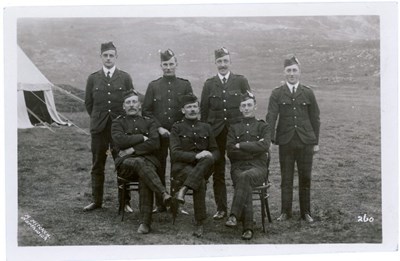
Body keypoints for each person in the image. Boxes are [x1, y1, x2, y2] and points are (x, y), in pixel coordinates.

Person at [266, 55, 320, 223]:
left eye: (294, 70)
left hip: (306, 142)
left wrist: (316, 142)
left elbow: (315, 118)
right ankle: (285, 212)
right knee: (286, 178)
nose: (291, 74)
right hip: (286, 141)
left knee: (305, 178)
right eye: (288, 70)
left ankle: (306, 212)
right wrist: (269, 140)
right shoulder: (277, 93)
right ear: (284, 72)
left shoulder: (308, 92)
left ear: (299, 72)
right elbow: (271, 117)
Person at [200, 47, 251, 220]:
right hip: (217, 134)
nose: (222, 65)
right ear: (215, 63)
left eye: (225, 61)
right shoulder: (209, 84)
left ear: (230, 62)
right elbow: (204, 111)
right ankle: (221, 208)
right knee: (218, 171)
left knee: (240, 170)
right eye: (219, 61)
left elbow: (248, 106)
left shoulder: (240, 81)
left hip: (237, 134)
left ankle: (241, 207)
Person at [111, 90, 172, 234]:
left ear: (139, 105)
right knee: (140, 164)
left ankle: (145, 223)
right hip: (126, 164)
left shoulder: (149, 122)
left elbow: (155, 144)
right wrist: (141, 138)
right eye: (128, 103)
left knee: (144, 174)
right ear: (124, 106)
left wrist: (131, 149)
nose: (131, 105)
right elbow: (119, 140)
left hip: (148, 162)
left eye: (134, 102)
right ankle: (163, 193)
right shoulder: (117, 122)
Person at [84, 42, 134, 211]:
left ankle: (124, 202)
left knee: (122, 163)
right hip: (99, 130)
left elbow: (130, 101)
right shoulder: (93, 78)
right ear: (101, 57)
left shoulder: (125, 77)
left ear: (116, 57)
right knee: (97, 164)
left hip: (119, 130)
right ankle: (96, 201)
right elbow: (89, 104)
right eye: (105, 55)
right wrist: (99, 119)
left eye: (111, 55)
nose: (108, 58)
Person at [142, 49, 193, 213]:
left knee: (178, 168)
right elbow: (147, 111)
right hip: (160, 135)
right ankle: (161, 203)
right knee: (159, 166)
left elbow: (190, 109)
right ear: (161, 66)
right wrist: (159, 128)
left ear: (176, 64)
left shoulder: (185, 85)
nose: (168, 67)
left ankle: (177, 203)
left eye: (171, 64)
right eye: (165, 64)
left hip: (179, 135)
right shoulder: (154, 85)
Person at [169, 94, 219, 237]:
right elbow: (175, 153)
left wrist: (209, 155)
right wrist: (196, 156)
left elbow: (216, 151)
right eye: (189, 107)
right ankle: (200, 222)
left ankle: (183, 190)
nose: (192, 110)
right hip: (182, 167)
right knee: (200, 182)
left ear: (199, 109)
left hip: (203, 166)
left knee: (209, 158)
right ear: (183, 110)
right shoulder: (176, 127)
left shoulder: (206, 127)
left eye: (194, 107)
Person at [225, 91, 271, 240]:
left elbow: (264, 145)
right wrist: (252, 151)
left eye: (249, 105)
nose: (246, 108)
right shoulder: (233, 128)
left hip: (258, 168)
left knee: (245, 179)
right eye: (243, 106)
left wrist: (241, 145)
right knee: (245, 179)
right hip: (238, 167)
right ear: (240, 108)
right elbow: (230, 151)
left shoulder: (262, 126)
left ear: (255, 107)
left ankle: (234, 216)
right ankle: (247, 228)